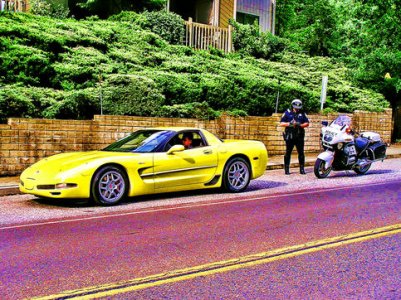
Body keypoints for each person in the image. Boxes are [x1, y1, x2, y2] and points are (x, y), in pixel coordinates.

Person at [280, 99, 310, 175]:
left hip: (299, 135)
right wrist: (290, 124)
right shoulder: (287, 112)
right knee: (288, 152)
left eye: (298, 107)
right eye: (295, 107)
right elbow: (281, 123)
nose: (297, 109)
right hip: (290, 135)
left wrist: (300, 125)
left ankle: (302, 169)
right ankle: (286, 169)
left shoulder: (302, 113)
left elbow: (307, 123)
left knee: (301, 152)